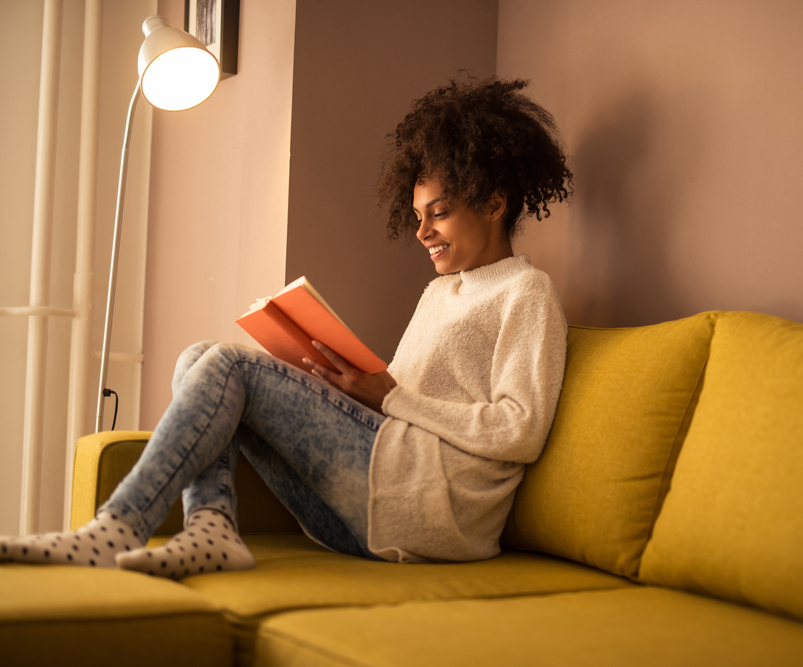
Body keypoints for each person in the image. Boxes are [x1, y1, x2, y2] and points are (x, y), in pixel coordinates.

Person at [0, 76, 572, 575]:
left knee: (225, 364)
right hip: (378, 501)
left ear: (495, 203)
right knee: (197, 356)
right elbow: (397, 404)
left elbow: (519, 430)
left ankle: (119, 526)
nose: (422, 232)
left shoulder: (527, 292)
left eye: (439, 213)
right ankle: (211, 530)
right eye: (418, 216)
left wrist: (392, 396)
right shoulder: (439, 292)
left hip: (436, 512)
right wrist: (342, 385)